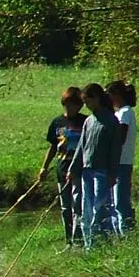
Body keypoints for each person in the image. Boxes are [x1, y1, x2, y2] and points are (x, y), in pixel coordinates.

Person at [66, 83, 123, 249]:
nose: (86, 105)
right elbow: (81, 147)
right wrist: (72, 169)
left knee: (100, 208)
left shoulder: (111, 120)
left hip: (103, 171)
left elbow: (115, 149)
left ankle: (102, 243)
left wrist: (113, 172)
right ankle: (89, 245)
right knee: (87, 209)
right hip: (87, 170)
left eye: (88, 100)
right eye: (84, 101)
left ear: (97, 98)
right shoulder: (89, 121)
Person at [37, 87, 87, 249]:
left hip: (80, 170)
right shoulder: (57, 122)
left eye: (73, 105)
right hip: (62, 168)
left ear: (80, 106)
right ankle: (68, 241)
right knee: (66, 207)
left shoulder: (86, 121)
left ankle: (78, 239)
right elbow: (53, 147)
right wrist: (44, 168)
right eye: (67, 104)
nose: (70, 108)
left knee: (78, 205)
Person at [107, 80, 138, 231]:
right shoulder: (118, 112)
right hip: (115, 162)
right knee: (113, 202)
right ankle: (118, 231)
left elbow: (121, 136)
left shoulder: (125, 112)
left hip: (122, 161)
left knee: (121, 201)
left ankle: (127, 232)